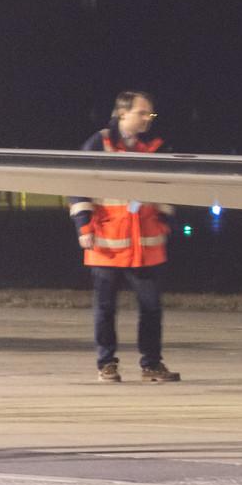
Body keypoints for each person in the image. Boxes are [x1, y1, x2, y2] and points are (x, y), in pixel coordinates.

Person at [72, 90, 180, 383]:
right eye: (142, 113)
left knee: (152, 309)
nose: (148, 119)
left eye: (150, 114)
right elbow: (78, 185)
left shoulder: (157, 147)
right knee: (105, 309)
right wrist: (84, 226)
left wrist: (165, 220)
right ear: (122, 113)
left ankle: (151, 365)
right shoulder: (98, 144)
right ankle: (106, 364)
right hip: (107, 243)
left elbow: (169, 188)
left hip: (146, 245)